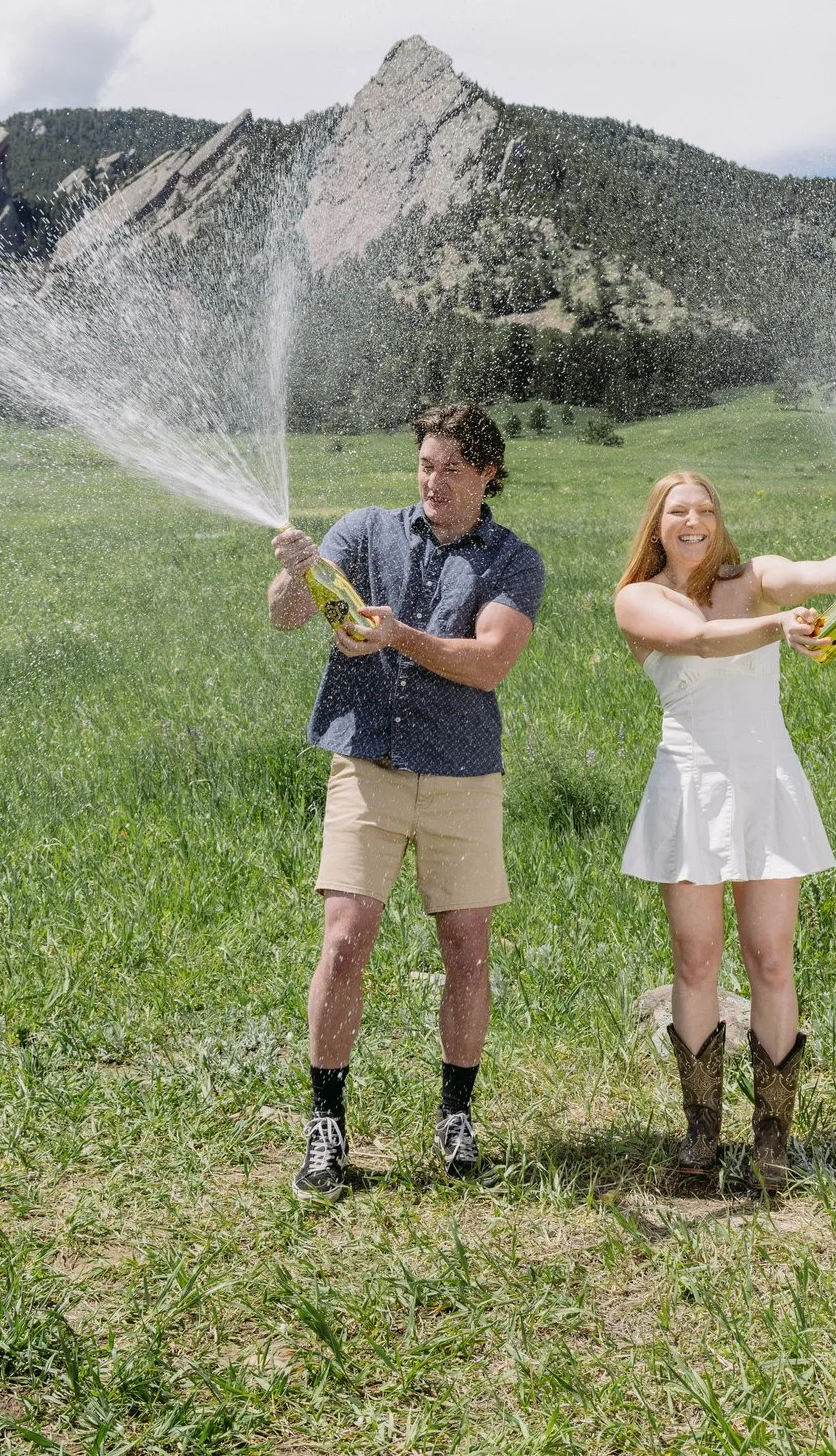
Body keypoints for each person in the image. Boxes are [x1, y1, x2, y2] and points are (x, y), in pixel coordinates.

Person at [268, 404, 545, 1202]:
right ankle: (326, 1123)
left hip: (463, 772)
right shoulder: (362, 532)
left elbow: (491, 662)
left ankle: (456, 1115)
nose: (433, 481)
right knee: (346, 938)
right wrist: (298, 572)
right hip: (367, 762)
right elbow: (289, 619)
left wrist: (398, 636)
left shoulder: (512, 561)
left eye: (452, 468)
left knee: (467, 948)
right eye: (425, 464)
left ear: (488, 473)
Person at [612, 471, 836, 1194]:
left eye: (707, 509)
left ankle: (774, 1141)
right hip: (690, 784)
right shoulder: (638, 599)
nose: (695, 521)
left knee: (772, 960)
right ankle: (700, 1137)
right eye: (679, 511)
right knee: (696, 959)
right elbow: (700, 640)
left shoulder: (753, 577)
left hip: (767, 783)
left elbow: (816, 573)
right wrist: (777, 626)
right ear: (657, 523)